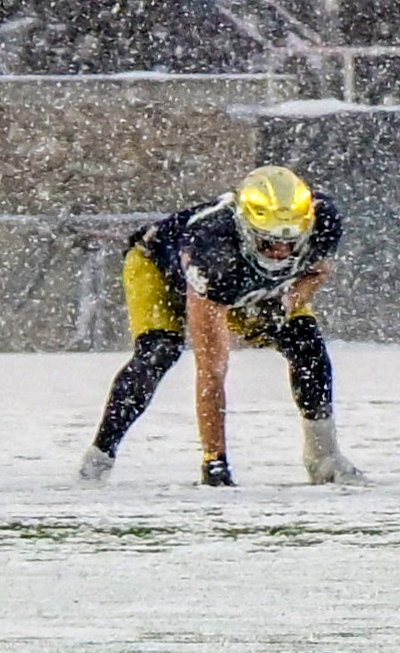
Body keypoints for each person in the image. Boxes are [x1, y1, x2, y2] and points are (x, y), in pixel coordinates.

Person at [79, 168, 349, 487]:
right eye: (269, 242)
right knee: (159, 353)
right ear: (247, 229)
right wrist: (214, 462)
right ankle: (100, 456)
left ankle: (325, 457)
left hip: (246, 286)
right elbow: (211, 370)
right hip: (164, 272)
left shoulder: (324, 223)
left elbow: (316, 272)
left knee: (307, 345)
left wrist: (285, 304)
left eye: (290, 243)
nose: (280, 252)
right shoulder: (213, 248)